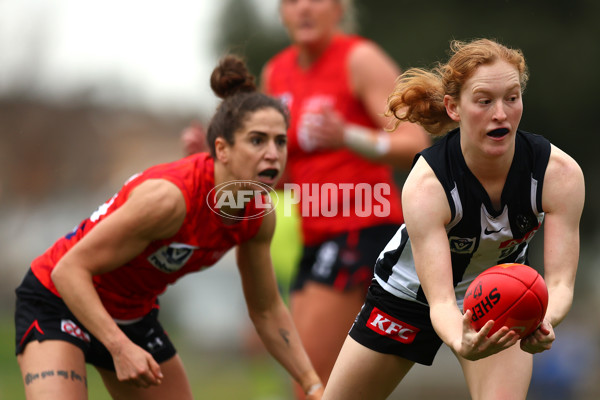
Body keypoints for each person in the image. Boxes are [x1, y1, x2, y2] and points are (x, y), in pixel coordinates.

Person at [15, 55, 324, 400]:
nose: (272, 154)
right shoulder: (170, 200)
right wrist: (119, 347)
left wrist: (313, 385)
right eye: (257, 140)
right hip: (60, 300)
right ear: (221, 149)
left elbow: (266, 310)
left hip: (131, 313)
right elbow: (68, 270)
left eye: (280, 141)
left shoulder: (258, 216)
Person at [322, 38, 585, 400]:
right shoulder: (427, 185)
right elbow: (442, 301)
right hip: (406, 296)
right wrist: (459, 337)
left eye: (511, 97)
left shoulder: (559, 174)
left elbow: (559, 282)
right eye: (484, 101)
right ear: (453, 107)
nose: (501, 113)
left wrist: (544, 319)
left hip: (499, 299)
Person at [261, 0, 431, 397]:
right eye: (290, 1)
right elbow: (283, 176)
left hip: (363, 228)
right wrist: (227, 162)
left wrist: (347, 136)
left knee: (313, 382)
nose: (303, 8)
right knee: (314, 385)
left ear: (339, 8)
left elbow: (414, 143)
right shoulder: (275, 72)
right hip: (315, 237)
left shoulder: (360, 59)